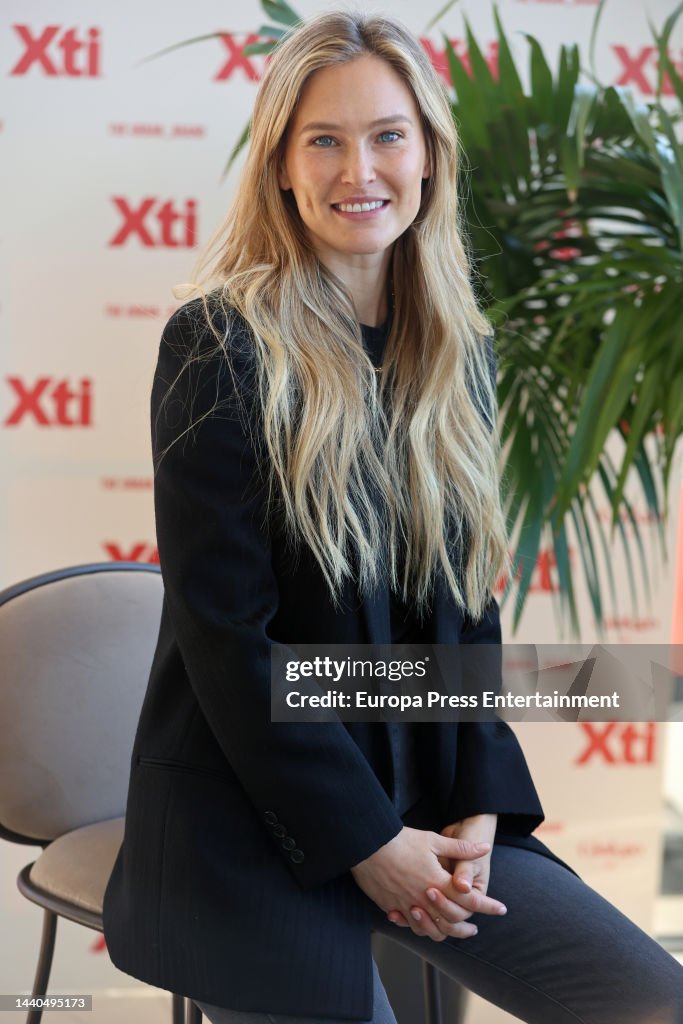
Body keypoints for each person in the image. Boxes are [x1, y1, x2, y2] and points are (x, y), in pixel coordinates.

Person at [102, 9, 683, 1023]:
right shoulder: (219, 344)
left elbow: (465, 614)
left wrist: (477, 808)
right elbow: (226, 640)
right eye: (321, 139)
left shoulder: (456, 352)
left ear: (427, 155)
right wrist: (370, 845)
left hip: (426, 793)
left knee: (645, 998)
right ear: (280, 165)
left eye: (386, 135)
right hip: (251, 808)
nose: (355, 168)